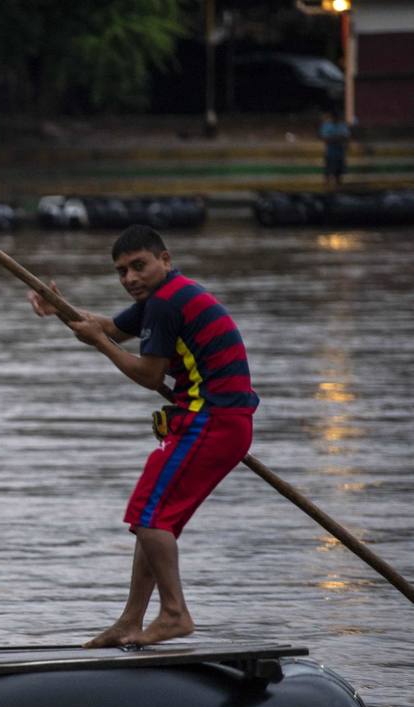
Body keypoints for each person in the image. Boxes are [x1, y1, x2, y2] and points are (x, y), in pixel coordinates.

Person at [28, 224, 258, 648]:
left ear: (165, 261)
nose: (130, 278)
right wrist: (58, 308)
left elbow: (148, 374)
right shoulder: (164, 297)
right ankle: (131, 621)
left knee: (150, 518)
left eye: (139, 266)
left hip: (211, 420)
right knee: (153, 522)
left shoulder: (166, 304)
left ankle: (174, 613)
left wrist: (99, 343)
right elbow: (108, 329)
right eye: (121, 271)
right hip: (217, 422)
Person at [319, 109, 351, 190]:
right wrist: (337, 138)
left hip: (339, 151)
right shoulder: (327, 125)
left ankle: (338, 186)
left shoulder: (342, 125)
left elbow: (345, 137)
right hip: (330, 151)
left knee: (339, 171)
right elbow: (325, 138)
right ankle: (326, 185)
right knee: (328, 169)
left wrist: (335, 138)